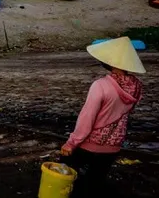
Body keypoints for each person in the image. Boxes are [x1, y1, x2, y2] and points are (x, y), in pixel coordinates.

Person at [61, 37, 145, 197]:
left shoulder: (100, 85)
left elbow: (87, 118)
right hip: (114, 144)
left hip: (91, 142)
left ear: (111, 62)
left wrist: (71, 143)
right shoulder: (137, 86)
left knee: (66, 172)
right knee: (95, 181)